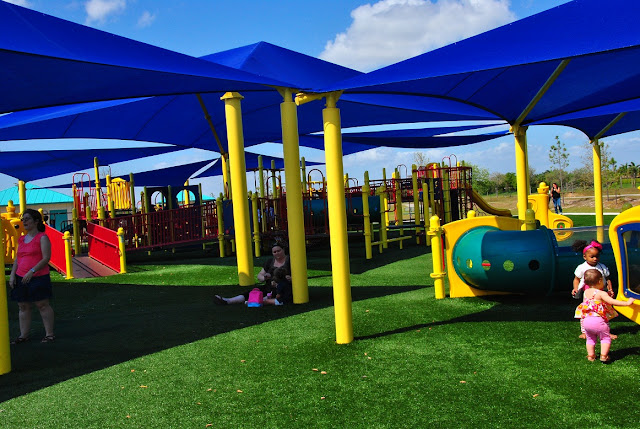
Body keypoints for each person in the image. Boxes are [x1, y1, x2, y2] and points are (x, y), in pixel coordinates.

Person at [9, 209, 55, 343]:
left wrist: (32, 271)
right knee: (23, 306)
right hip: (20, 276)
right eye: (23, 219)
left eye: (27, 219)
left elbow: (46, 258)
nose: (24, 222)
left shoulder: (42, 238)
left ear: (36, 221)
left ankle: (49, 334)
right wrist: (12, 275)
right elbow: (17, 259)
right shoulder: (21, 239)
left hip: (39, 277)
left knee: (42, 304)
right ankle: (23, 335)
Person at [574, 269, 634, 362]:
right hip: (598, 321)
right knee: (605, 338)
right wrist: (627, 303)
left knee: (590, 339)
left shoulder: (586, 292)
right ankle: (603, 356)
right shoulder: (601, 293)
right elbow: (612, 301)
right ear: (600, 281)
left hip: (586, 321)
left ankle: (591, 356)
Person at [214, 242, 292, 305]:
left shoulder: (290, 261)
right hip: (269, 287)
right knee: (252, 292)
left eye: (279, 251)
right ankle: (229, 301)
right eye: (274, 252)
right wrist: (264, 277)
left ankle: (259, 301)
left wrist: (291, 278)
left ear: (283, 250)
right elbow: (259, 276)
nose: (277, 253)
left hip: (284, 288)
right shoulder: (269, 262)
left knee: (276, 295)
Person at [572, 239, 614, 340]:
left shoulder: (602, 267)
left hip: (601, 292)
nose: (595, 259)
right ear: (584, 257)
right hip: (588, 294)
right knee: (586, 311)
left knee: (604, 311)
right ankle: (585, 331)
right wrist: (575, 288)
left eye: (597, 256)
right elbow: (576, 279)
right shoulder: (582, 267)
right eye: (592, 257)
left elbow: (608, 279)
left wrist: (610, 289)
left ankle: (606, 331)